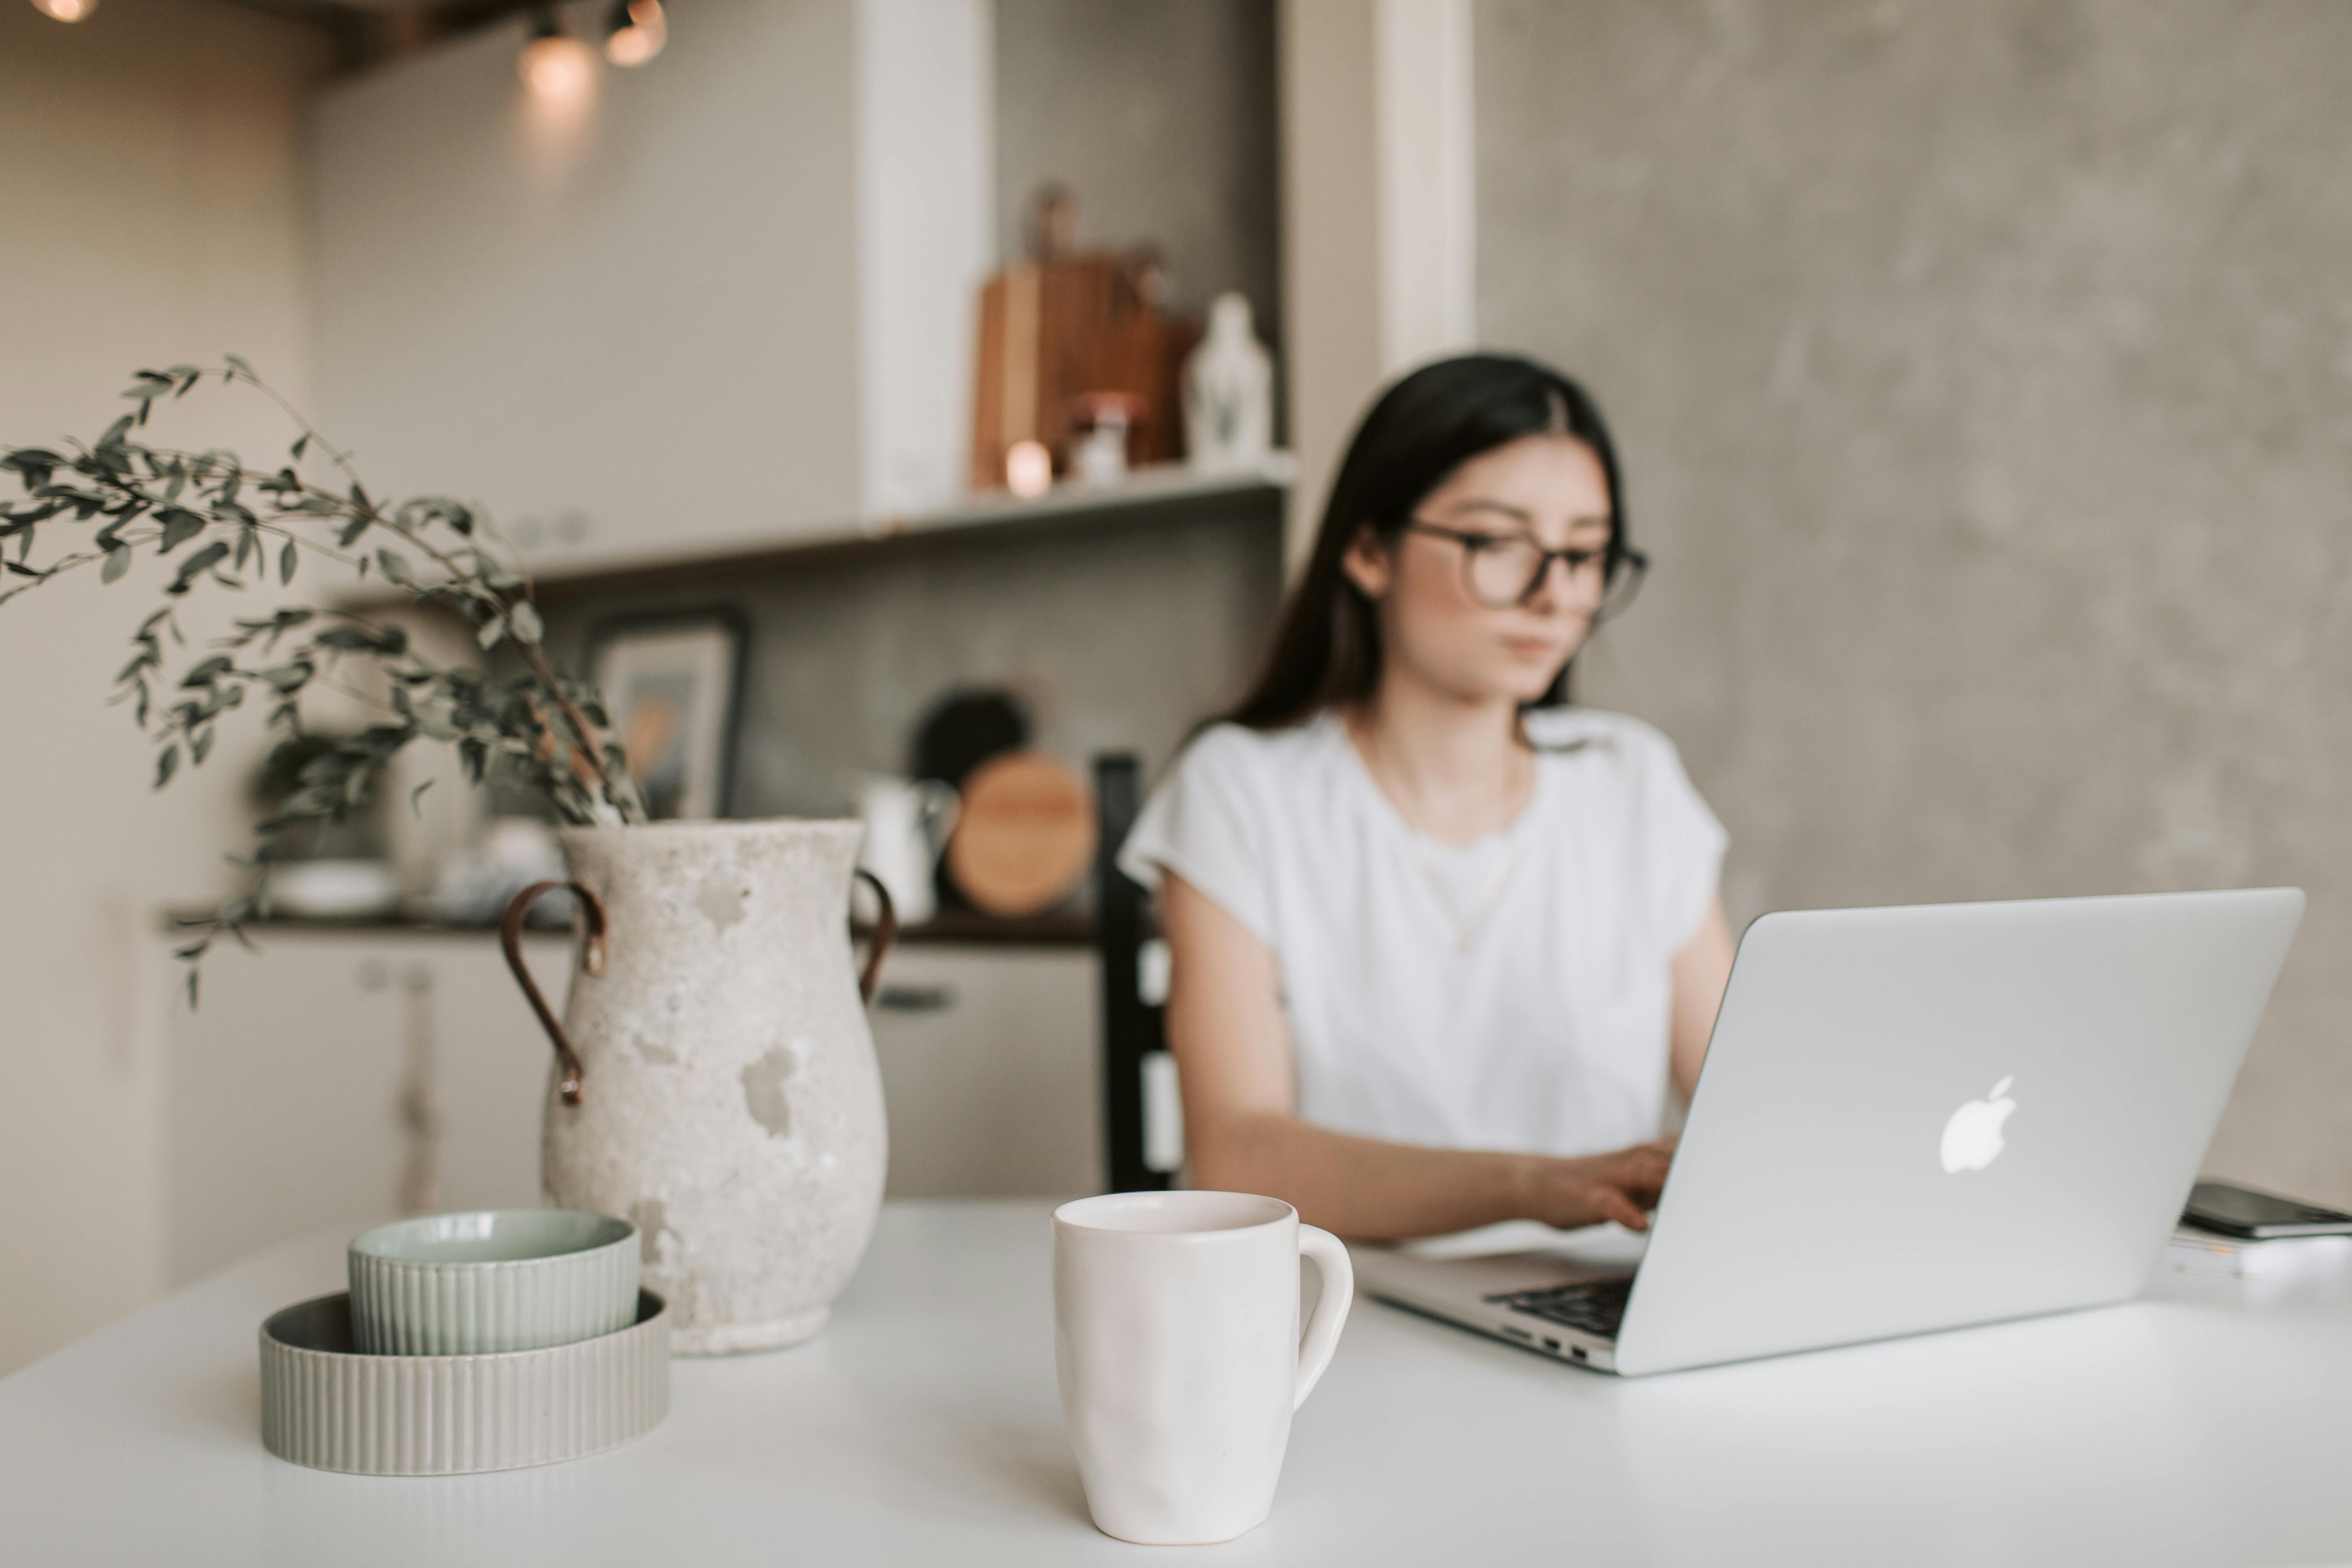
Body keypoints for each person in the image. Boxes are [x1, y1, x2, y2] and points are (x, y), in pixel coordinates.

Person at [1118, 354, 1736, 1241]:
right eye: (1499, 543)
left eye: (1587, 553)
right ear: (1370, 550)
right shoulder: (1241, 791)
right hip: (1341, 1315)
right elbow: (1238, 1155)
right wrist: (1536, 1184)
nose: (1555, 593)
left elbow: (1742, 1107)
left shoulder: (1631, 782)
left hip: (1595, 1309)